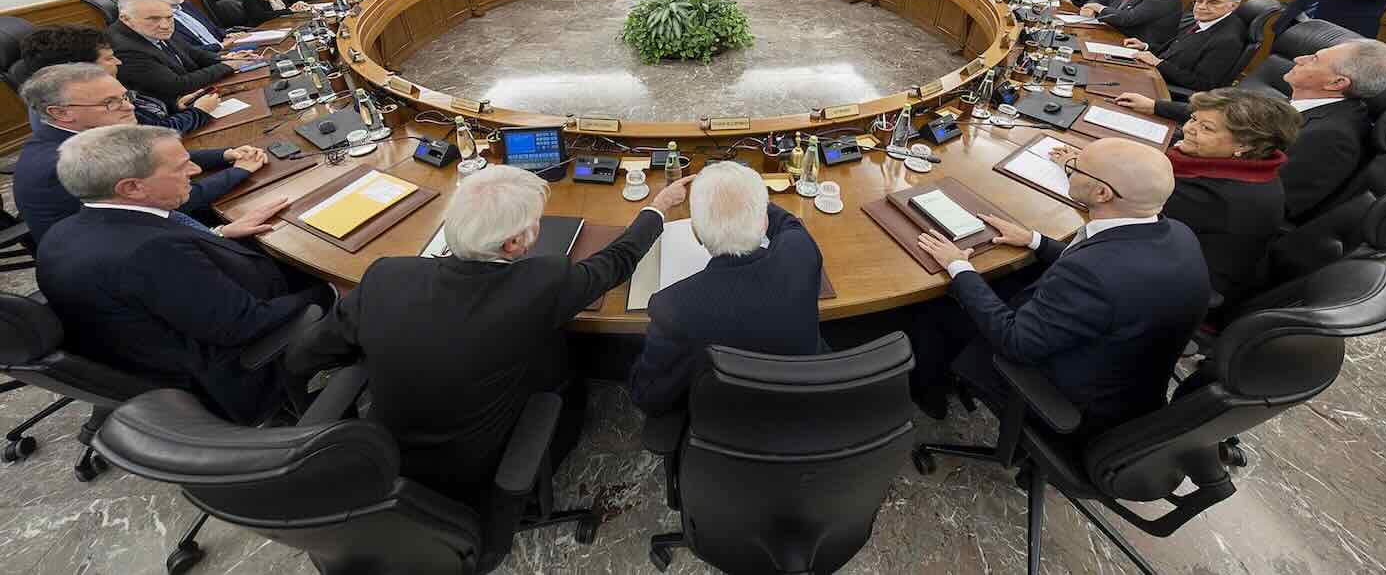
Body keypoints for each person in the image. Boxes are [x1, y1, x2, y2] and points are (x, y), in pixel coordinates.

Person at [286, 165, 692, 506]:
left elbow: (303, 356)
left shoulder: (384, 277)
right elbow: (617, 260)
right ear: (515, 243)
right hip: (486, 471)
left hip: (382, 460)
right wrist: (657, 208)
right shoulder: (540, 283)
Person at [908, 138, 1210, 435]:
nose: (1069, 169)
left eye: (1076, 167)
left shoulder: (1093, 275)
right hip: (1126, 376)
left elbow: (1014, 341)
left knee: (931, 308)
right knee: (1011, 278)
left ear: (1102, 193)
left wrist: (958, 265)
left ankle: (931, 397)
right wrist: (1034, 241)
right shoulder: (1178, 233)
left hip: (1069, 403)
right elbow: (1107, 265)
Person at [38, 124, 333, 423]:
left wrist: (219, 235)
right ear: (132, 188)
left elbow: (166, 282)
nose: (194, 170)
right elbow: (245, 324)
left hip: (176, 336)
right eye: (181, 167)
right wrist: (331, 289)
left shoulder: (65, 230)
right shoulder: (150, 253)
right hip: (233, 371)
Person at [1116, 40, 1386, 222]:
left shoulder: (1333, 138)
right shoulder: (1308, 103)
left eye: (1314, 58)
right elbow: (1231, 117)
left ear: (1337, 83)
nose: (1299, 57)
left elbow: (1272, 206)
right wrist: (1155, 106)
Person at [628, 162, 826, 416]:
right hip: (807, 403)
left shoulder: (673, 308)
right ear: (764, 222)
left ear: (696, 233)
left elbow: (646, 396)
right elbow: (789, 223)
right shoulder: (800, 251)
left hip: (724, 421)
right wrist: (747, 200)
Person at [15, 65, 261, 245]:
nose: (129, 106)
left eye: (124, 96)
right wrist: (239, 171)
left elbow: (153, 160)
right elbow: (173, 200)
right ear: (61, 113)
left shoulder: (75, 136)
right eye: (110, 102)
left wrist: (225, 155)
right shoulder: (66, 161)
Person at [1159, 89, 1299, 308]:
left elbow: (1128, 206)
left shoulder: (1214, 196)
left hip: (1179, 291)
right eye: (1194, 119)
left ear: (1244, 145)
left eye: (1206, 128)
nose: (1188, 128)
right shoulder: (1251, 167)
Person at [14, 27, 219, 134]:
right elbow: (153, 135)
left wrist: (176, 106)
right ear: (80, 68)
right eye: (109, 58)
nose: (119, 62)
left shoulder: (99, 84)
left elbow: (147, 117)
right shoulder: (82, 107)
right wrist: (198, 112)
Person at [109, 0, 235, 108]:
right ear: (126, 19)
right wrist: (227, 66)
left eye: (169, 17)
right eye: (153, 19)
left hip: (193, 96)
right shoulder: (124, 49)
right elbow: (177, 85)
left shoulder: (154, 28)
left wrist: (224, 58)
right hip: (170, 110)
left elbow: (191, 52)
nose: (165, 25)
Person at [1127, 0, 1246, 92]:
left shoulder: (1227, 40)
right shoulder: (1206, 20)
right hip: (1153, 73)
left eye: (1213, 2)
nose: (1202, 7)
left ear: (1233, 6)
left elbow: (1203, 84)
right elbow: (1176, 49)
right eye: (1199, 1)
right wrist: (1146, 47)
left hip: (1164, 88)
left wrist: (1158, 63)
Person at [138, 0, 242, 54]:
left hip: (227, 50)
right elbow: (185, 53)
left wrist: (228, 35)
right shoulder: (154, 20)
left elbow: (213, 30)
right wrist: (220, 46)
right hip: (208, 60)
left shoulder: (187, 6)